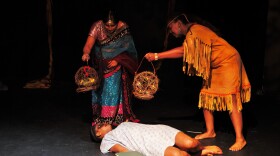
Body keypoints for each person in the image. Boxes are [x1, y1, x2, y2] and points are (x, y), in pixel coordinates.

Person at [144, 13, 251, 151]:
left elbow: (184, 51)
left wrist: (157, 55)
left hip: (228, 60)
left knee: (232, 98)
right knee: (206, 96)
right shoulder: (192, 33)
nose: (171, 32)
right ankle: (210, 131)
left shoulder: (195, 30)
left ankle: (240, 138)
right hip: (216, 64)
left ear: (179, 23)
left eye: (171, 28)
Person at [81, 10, 139, 134]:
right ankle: (100, 118)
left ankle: (111, 119)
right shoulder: (97, 26)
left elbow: (128, 50)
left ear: (117, 23)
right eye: (107, 25)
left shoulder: (123, 27)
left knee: (112, 91)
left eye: (112, 25)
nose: (110, 28)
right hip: (100, 65)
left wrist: (118, 60)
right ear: (103, 23)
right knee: (99, 92)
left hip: (116, 65)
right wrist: (86, 53)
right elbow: (88, 45)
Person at [92, 122, 223, 156]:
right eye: (99, 126)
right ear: (98, 134)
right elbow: (123, 151)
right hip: (149, 145)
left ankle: (201, 148)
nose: (102, 123)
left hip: (158, 131)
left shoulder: (121, 125)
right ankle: (199, 153)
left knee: (191, 142)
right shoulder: (106, 141)